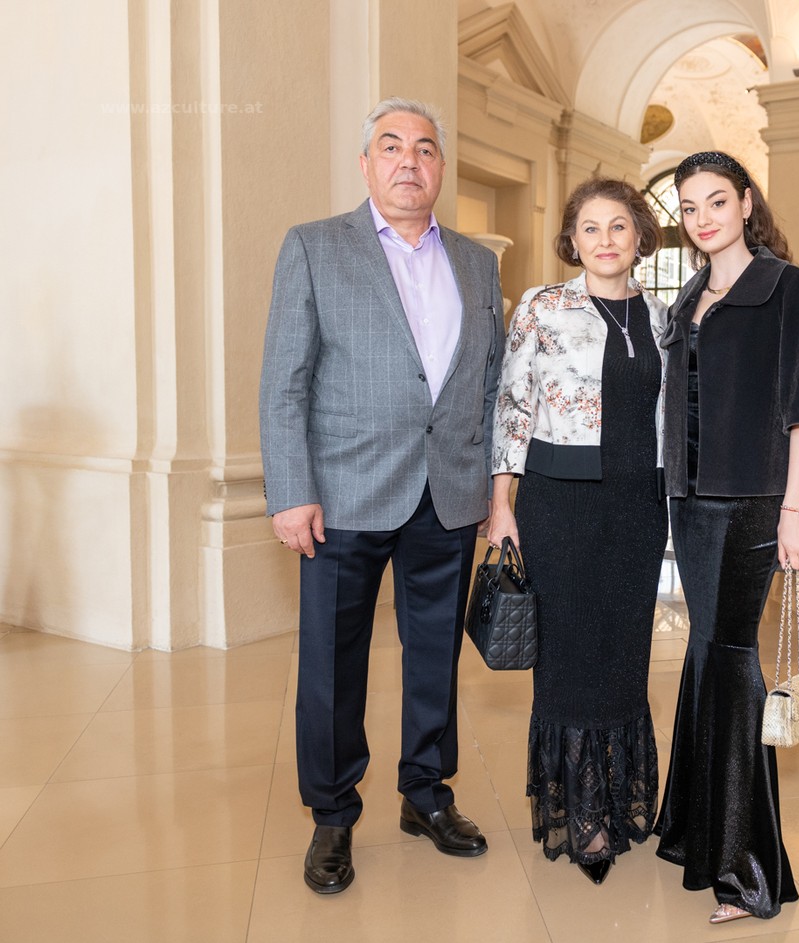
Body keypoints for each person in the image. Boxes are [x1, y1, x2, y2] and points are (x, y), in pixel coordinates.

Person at [259, 97, 505, 894]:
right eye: (391, 146)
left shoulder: (477, 263)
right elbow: (284, 381)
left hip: (448, 492)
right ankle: (333, 814)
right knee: (332, 663)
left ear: (441, 168)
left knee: (436, 655)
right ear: (366, 164)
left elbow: (491, 383)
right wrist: (291, 490)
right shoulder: (314, 247)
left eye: (425, 148)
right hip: (343, 494)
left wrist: (493, 487)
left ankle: (426, 794)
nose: (409, 161)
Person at [653, 151, 799, 924]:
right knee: (704, 649)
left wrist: (794, 508)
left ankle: (746, 868)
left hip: (753, 499)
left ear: (747, 202)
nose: (703, 218)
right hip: (689, 499)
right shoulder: (689, 295)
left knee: (729, 656)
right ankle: (694, 828)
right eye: (690, 207)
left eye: (717, 201)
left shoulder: (788, 287)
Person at [487, 178, 668, 886]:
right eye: (590, 228)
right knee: (567, 659)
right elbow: (512, 404)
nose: (605, 240)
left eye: (618, 226)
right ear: (571, 239)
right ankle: (584, 818)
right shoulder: (542, 306)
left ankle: (621, 804)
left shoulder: (663, 316)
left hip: (638, 508)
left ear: (639, 236)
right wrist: (502, 505)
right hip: (559, 506)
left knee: (623, 657)